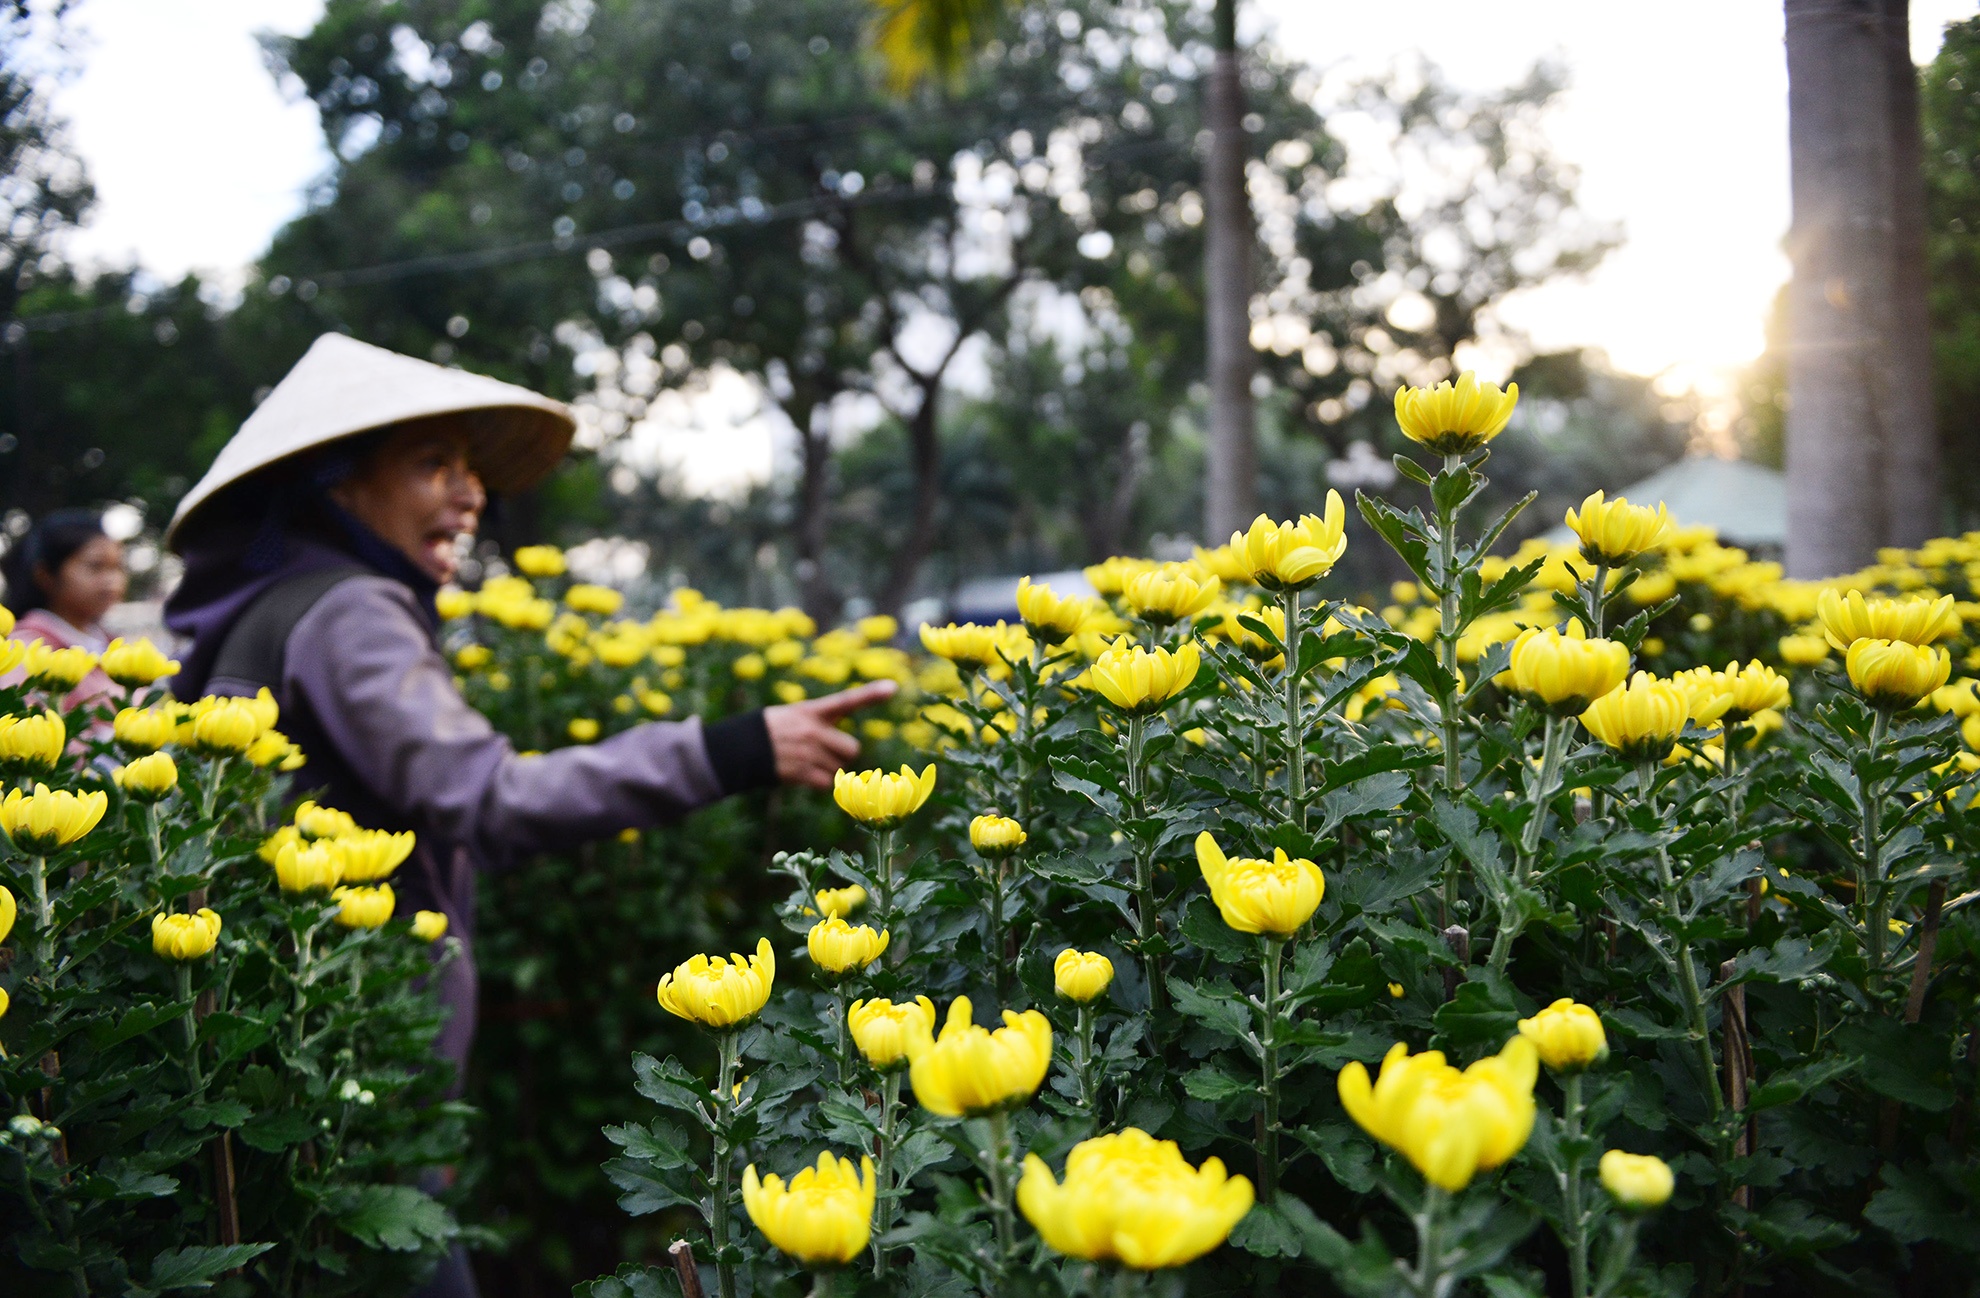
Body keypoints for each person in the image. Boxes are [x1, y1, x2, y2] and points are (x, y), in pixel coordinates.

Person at [163, 334, 891, 1298]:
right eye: (434, 464)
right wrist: (732, 749)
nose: (471, 494)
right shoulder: (351, 612)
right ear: (337, 483)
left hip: (288, 1046)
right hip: (356, 1047)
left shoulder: (268, 607)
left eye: (470, 468)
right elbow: (492, 798)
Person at [1, 507, 128, 711]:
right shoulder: (24, 649)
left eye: (118, 567)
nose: (112, 581)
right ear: (45, 575)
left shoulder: (112, 645)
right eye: (95, 566)